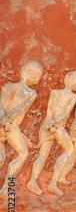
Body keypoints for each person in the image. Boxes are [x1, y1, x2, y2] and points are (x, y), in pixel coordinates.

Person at [27, 71, 76, 196]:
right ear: (71, 79)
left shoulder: (55, 92)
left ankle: (32, 180)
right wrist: (55, 123)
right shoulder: (73, 96)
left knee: (43, 154)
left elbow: (50, 109)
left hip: (47, 124)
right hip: (57, 126)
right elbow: (65, 112)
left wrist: (50, 122)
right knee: (69, 149)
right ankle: (53, 182)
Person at [0, 62, 43, 199]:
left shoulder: (8, 86)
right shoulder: (31, 93)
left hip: (5, 122)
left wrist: (3, 119)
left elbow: (1, 105)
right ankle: (7, 186)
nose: (38, 77)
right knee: (23, 153)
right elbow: (20, 110)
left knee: (2, 156)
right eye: (37, 74)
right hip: (10, 125)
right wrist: (7, 120)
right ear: (28, 71)